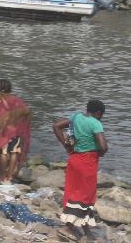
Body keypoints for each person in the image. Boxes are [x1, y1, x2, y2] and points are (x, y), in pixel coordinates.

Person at [54, 100, 108, 241]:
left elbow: (57, 126)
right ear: (98, 113)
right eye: (102, 115)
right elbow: (103, 147)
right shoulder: (95, 123)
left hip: (74, 159)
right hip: (87, 162)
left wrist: (67, 145)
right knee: (85, 195)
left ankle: (85, 227)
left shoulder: (76, 116)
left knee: (74, 191)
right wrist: (101, 152)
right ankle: (68, 227)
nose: (101, 117)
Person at [0, 79, 32, 183]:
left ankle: (1, 176)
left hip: (3, 131)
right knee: (14, 152)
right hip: (15, 130)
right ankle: (10, 176)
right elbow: (26, 111)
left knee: (3, 153)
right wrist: (16, 118)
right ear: (10, 88)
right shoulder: (16, 100)